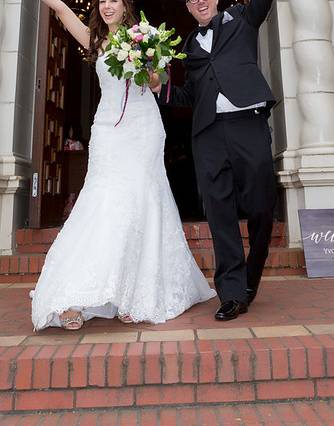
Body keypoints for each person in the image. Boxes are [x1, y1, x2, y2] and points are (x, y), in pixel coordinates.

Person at [31, 0, 216, 331]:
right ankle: (73, 293)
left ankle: (132, 294)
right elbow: (61, 10)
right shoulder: (95, 40)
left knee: (140, 206)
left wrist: (147, 59)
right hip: (108, 131)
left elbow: (158, 81)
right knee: (101, 204)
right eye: (102, 1)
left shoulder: (145, 38)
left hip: (143, 130)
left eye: (113, 0)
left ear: (125, 5)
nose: (106, 6)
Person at [150, 0, 277, 321]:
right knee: (219, 211)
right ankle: (232, 293)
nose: (199, 2)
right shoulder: (190, 44)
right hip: (207, 133)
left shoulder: (243, 17)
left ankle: (251, 277)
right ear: (188, 8)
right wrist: (159, 88)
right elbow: (190, 95)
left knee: (261, 205)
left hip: (247, 122)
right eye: (191, 0)